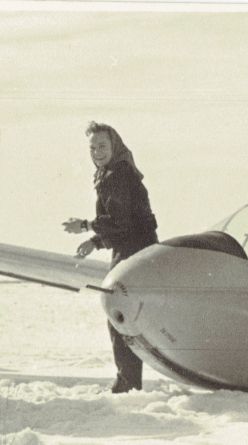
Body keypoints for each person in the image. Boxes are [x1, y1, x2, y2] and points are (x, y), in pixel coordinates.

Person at [62, 121, 158, 393]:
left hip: (133, 253)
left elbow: (121, 222)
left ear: (114, 145)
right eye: (92, 148)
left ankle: (127, 382)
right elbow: (123, 224)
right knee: (123, 313)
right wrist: (95, 241)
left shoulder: (116, 174)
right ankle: (128, 380)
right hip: (138, 250)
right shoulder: (115, 171)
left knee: (119, 312)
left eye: (102, 146)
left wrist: (85, 226)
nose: (97, 152)